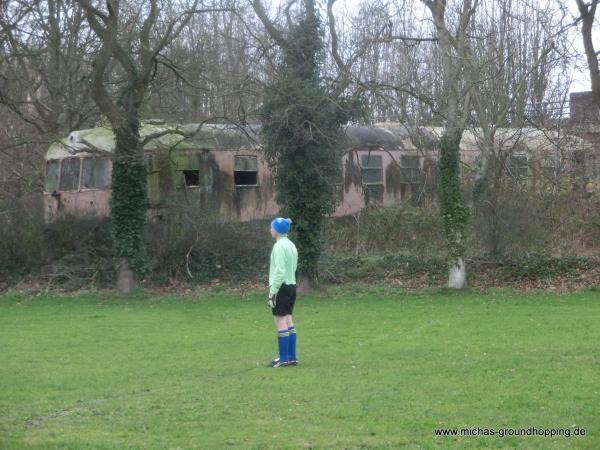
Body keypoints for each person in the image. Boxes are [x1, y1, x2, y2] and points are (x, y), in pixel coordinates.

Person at [267, 217, 299, 367]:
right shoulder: (291, 244)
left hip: (281, 287)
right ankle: (292, 357)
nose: (270, 229)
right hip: (291, 285)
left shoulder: (279, 246)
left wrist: (272, 292)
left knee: (280, 320)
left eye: (271, 227)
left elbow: (279, 271)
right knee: (288, 320)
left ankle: (284, 358)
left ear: (277, 230)